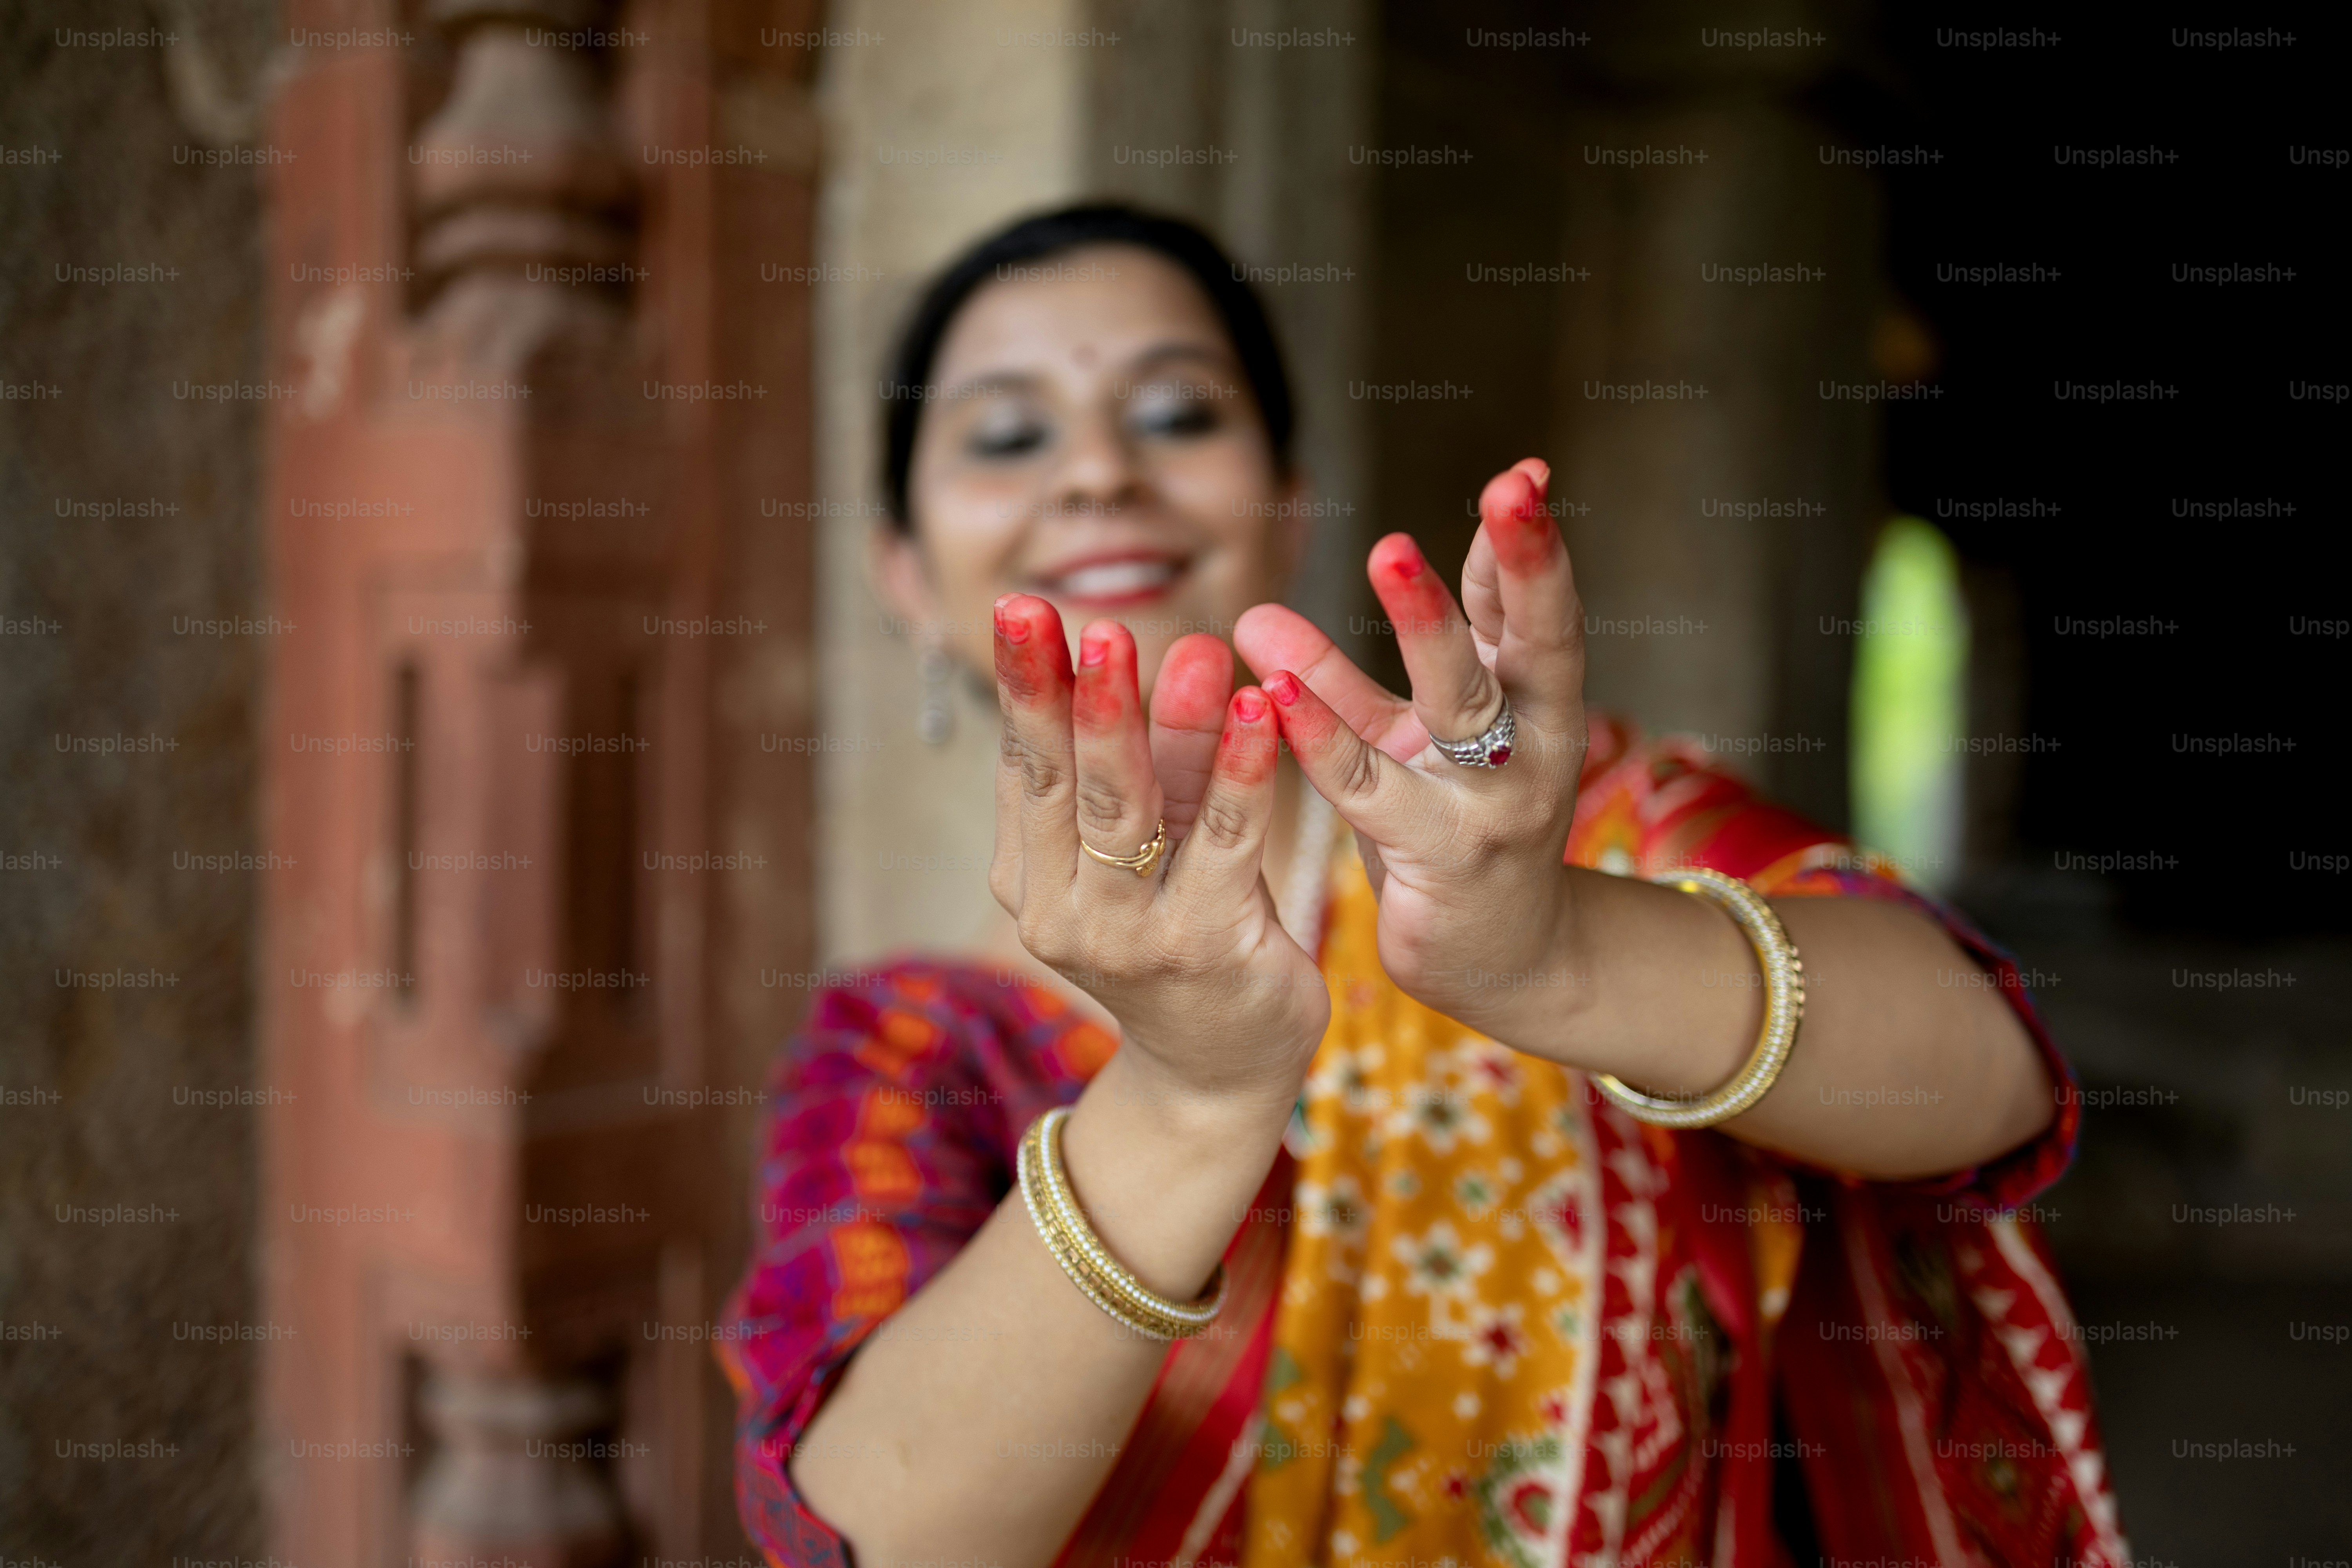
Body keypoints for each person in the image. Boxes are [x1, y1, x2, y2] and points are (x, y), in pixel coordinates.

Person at [719, 203, 2127, 1568]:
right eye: (1009, 433)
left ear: (1287, 507)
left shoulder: (1585, 831)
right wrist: (1193, 1098)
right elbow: (866, 1537)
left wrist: (1552, 954)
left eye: (1176, 414)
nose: (1096, 473)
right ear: (902, 574)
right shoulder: (910, 1049)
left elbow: (1993, 1085)